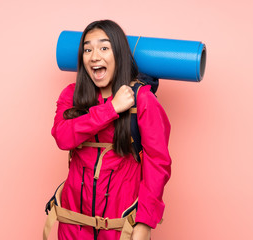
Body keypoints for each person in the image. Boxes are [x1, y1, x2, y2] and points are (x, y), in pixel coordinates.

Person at [51, 19, 172, 240]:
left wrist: (145, 224)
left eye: (104, 48)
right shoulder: (71, 95)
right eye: (88, 49)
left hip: (120, 229)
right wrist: (112, 108)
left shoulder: (143, 99)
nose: (94, 56)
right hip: (72, 226)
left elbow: (158, 164)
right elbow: (62, 137)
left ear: (119, 54)